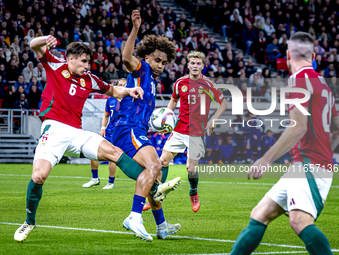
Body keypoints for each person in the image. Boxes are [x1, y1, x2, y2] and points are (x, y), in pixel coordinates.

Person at [13, 35, 145, 242]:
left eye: (89, 61)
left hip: (76, 133)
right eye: (83, 61)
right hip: (53, 129)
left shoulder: (90, 79)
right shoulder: (55, 64)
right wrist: (44, 39)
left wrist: (129, 90)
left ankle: (154, 188)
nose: (87, 65)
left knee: (114, 152)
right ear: (70, 58)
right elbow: (32, 45)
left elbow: (112, 90)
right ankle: (29, 221)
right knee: (39, 177)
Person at [230, 32, 338, 255]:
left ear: (288, 55)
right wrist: (328, 150)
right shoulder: (323, 85)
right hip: (309, 163)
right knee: (260, 214)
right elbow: (336, 125)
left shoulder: (297, 80)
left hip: (309, 163)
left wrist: (266, 159)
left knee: (299, 222)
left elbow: (298, 127)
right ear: (314, 55)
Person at [111, 10, 181, 242]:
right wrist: (135, 29)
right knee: (154, 167)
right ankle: (133, 216)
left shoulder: (152, 81)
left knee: (154, 175)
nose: (160, 65)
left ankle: (161, 226)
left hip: (137, 129)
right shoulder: (141, 70)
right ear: (147, 57)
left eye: (164, 62)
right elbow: (126, 57)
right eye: (157, 60)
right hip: (128, 129)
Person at [158, 50, 227, 212]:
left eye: (198, 63)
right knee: (163, 162)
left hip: (197, 132)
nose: (195, 66)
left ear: (202, 66)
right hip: (179, 129)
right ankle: (158, 192)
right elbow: (173, 101)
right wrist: (165, 120)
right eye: (192, 63)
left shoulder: (209, 84)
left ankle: (193, 192)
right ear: (188, 65)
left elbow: (223, 103)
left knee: (191, 168)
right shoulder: (180, 83)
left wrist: (214, 119)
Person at [83, 78, 127, 189]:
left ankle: (111, 183)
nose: (122, 87)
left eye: (125, 85)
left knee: (112, 157)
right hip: (108, 131)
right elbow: (106, 115)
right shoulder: (110, 100)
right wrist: (103, 128)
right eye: (120, 85)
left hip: (121, 132)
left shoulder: (129, 100)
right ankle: (94, 179)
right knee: (92, 151)